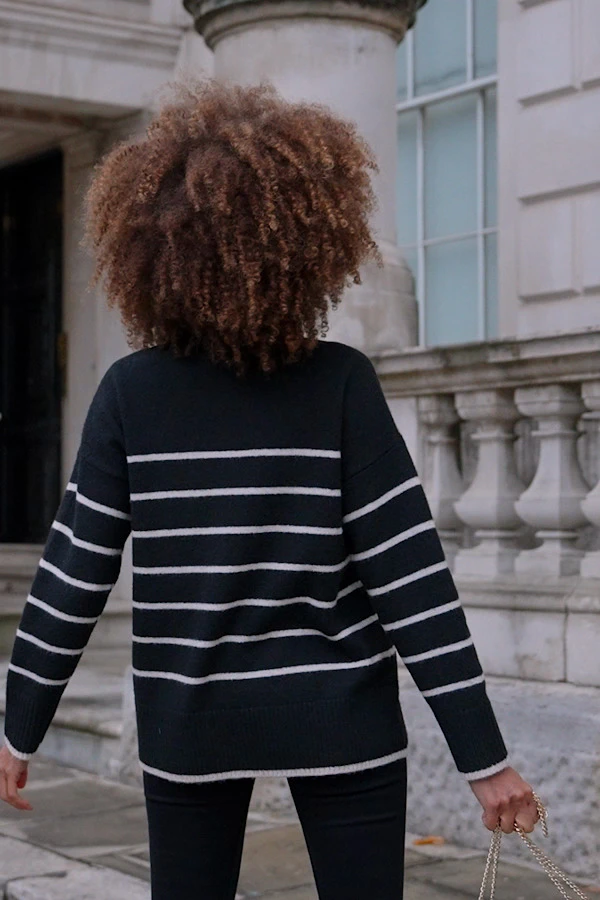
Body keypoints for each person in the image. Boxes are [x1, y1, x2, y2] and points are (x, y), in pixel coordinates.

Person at [0, 80, 539, 899]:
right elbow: (412, 583)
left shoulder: (129, 395)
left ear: (150, 251)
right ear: (305, 247)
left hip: (190, 719)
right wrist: (484, 759)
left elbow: (72, 577)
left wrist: (18, 728)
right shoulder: (341, 386)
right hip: (342, 715)